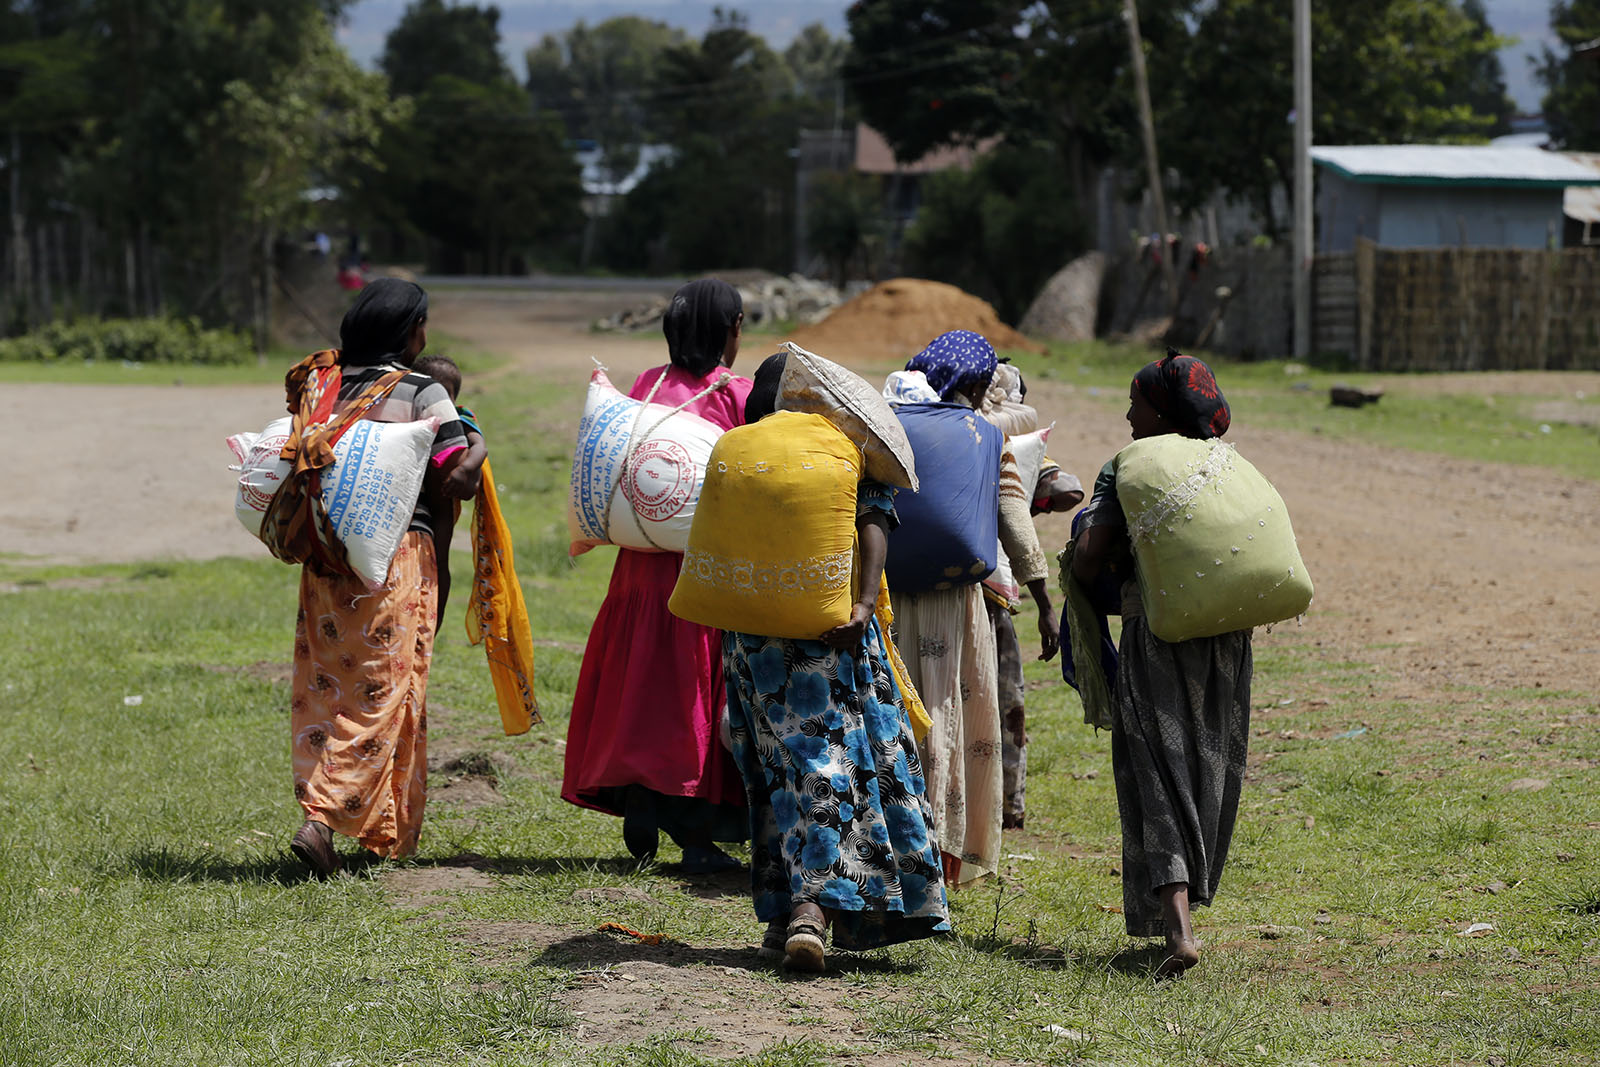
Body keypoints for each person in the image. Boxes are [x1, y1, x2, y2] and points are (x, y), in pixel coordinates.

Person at [722, 352, 950, 972]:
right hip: (834, 637)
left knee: (779, 769)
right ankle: (812, 910)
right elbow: (874, 520)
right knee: (830, 765)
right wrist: (863, 599)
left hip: (755, 645)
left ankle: (787, 912)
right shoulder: (840, 450)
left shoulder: (740, 452)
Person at [1070, 348, 1250, 978]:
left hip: (1157, 637)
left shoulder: (1131, 468)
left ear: (1162, 408)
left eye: (1135, 401)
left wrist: (1082, 554)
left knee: (1154, 769)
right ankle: (1189, 898)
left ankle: (1177, 930)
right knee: (1209, 765)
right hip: (1228, 642)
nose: (1126, 414)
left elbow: (1092, 554)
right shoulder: (1224, 463)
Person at [562, 279, 753, 873]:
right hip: (700, 574)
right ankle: (695, 832)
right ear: (728, 331)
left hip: (636, 569)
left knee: (641, 686)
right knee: (689, 693)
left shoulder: (646, 386)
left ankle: (641, 799)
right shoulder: (736, 395)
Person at [287, 278, 472, 876]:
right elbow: (457, 472)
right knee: (384, 693)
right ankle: (323, 819)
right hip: (395, 560)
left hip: (327, 562)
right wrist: (479, 442)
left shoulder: (323, 387)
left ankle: (368, 829)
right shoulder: (421, 390)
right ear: (410, 332)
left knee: (326, 688)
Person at [890, 331, 1060, 886]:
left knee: (898, 715)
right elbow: (1014, 519)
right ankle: (939, 853)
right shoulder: (986, 436)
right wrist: (1041, 598)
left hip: (889, 602)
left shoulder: (891, 429)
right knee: (947, 716)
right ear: (976, 384)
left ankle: (889, 841)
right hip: (961, 606)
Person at [975, 365, 1084, 831]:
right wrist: (1045, 605)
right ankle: (1003, 807)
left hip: (924, 589)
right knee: (1000, 697)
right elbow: (1066, 492)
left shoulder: (938, 431)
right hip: (991, 588)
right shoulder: (1002, 446)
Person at [413, 354, 487, 627]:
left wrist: (464, 469)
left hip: (441, 506)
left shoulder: (458, 417)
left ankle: (435, 622)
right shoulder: (409, 412)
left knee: (439, 561)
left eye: (443, 394)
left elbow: (480, 447)